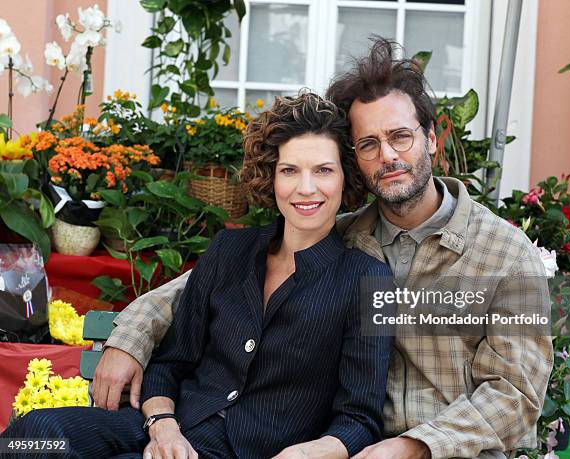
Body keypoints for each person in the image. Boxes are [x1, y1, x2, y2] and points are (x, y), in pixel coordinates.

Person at [95, 38, 553, 459]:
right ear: (355, 161)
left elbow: (516, 394)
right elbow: (189, 290)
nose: (388, 156)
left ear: (431, 138)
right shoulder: (342, 236)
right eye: (369, 144)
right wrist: (128, 340)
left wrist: (415, 445)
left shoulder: (507, 255)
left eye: (401, 136)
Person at [2, 93, 394, 458]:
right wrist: (163, 426)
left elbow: (359, 417)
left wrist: (311, 452)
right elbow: (172, 361)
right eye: (289, 170)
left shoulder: (368, 281)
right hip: (166, 428)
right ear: (271, 178)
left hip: (252, 450)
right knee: (36, 433)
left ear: (347, 178)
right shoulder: (230, 250)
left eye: (323, 170)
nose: (305, 188)